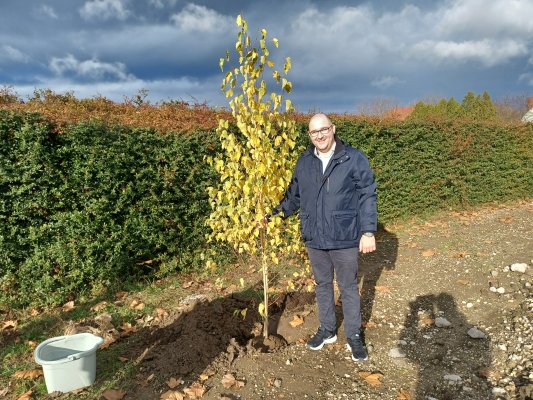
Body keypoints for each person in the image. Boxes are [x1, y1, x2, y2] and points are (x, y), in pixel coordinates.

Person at [272, 113, 377, 361]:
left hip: (344, 236)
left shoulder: (353, 158)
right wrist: (273, 215)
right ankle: (328, 329)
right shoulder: (304, 162)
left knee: (348, 286)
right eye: (314, 132)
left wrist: (368, 231)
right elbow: (293, 196)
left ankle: (353, 335)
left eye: (323, 129)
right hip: (315, 237)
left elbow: (367, 195)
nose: (319, 135)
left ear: (333, 129)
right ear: (309, 135)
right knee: (322, 285)